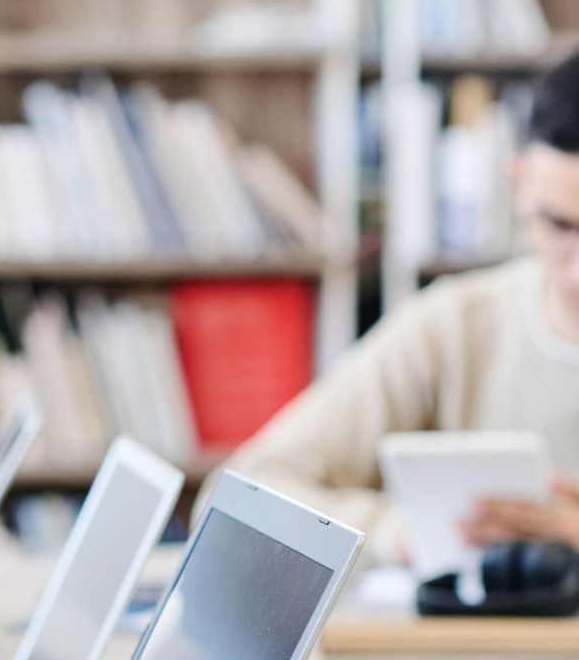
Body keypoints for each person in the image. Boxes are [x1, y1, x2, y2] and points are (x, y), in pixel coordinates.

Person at [228, 50, 579, 553]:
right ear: (517, 183)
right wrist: (400, 532)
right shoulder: (455, 325)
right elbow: (247, 490)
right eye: (560, 226)